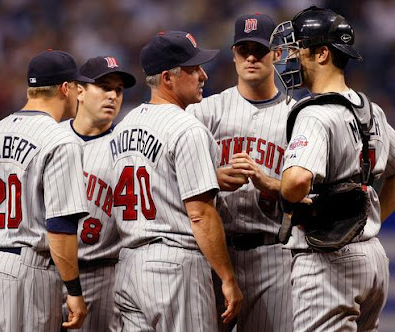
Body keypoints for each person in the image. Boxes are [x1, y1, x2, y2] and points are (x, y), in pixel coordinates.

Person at [270, 6, 395, 331]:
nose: (291, 58)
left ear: (323, 53)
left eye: (298, 49)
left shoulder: (314, 114)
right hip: (372, 257)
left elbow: (296, 181)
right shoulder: (372, 110)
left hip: (329, 261)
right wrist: (373, 218)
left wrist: (279, 188)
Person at [109, 30, 243, 332]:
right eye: (193, 69)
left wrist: (210, 177)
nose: (203, 75)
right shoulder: (186, 128)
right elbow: (200, 213)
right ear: (168, 78)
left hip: (128, 264)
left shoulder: (123, 126)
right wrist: (227, 277)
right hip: (174, 264)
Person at [187, 13, 294, 332]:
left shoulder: (297, 115)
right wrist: (212, 178)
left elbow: (308, 189)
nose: (250, 57)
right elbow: (169, 170)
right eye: (243, 48)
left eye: (259, 49)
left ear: (276, 54)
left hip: (272, 252)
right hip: (213, 252)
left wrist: (270, 182)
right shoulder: (205, 111)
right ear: (233, 54)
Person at [0, 50, 93, 331]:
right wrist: (74, 290)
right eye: (78, 87)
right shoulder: (60, 140)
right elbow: (60, 227)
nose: (80, 94)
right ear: (65, 89)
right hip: (28, 271)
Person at [60, 56, 136, 331]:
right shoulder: (51, 138)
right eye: (104, 86)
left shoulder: (125, 147)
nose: (113, 96)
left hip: (101, 274)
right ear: (79, 90)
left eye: (118, 90)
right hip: (46, 271)